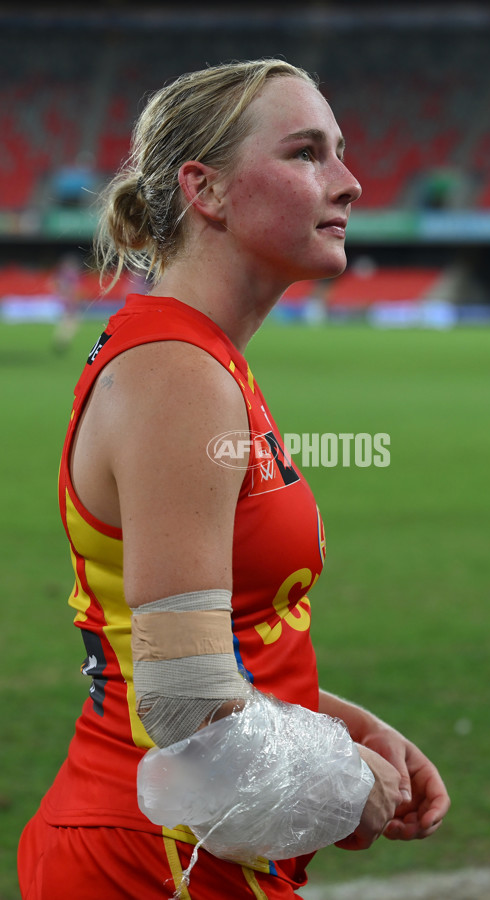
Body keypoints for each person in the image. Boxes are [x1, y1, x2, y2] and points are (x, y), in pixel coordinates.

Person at [17, 59, 450, 900]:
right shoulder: (177, 376)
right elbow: (183, 706)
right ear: (206, 190)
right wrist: (348, 784)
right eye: (307, 153)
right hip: (155, 862)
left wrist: (331, 719)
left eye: (342, 151)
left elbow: (197, 650)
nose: (351, 182)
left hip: (181, 852)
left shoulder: (199, 361)